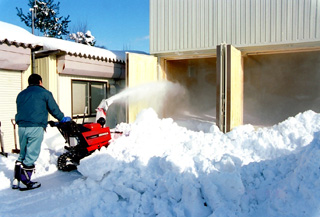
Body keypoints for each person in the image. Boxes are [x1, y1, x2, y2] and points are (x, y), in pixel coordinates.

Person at [12, 73, 71, 191]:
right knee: (32, 153)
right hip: (35, 126)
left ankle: (17, 180)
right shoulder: (45, 93)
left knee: (23, 153)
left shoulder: (21, 94)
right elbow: (53, 109)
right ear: (40, 82)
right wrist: (62, 118)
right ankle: (25, 181)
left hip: (21, 127)